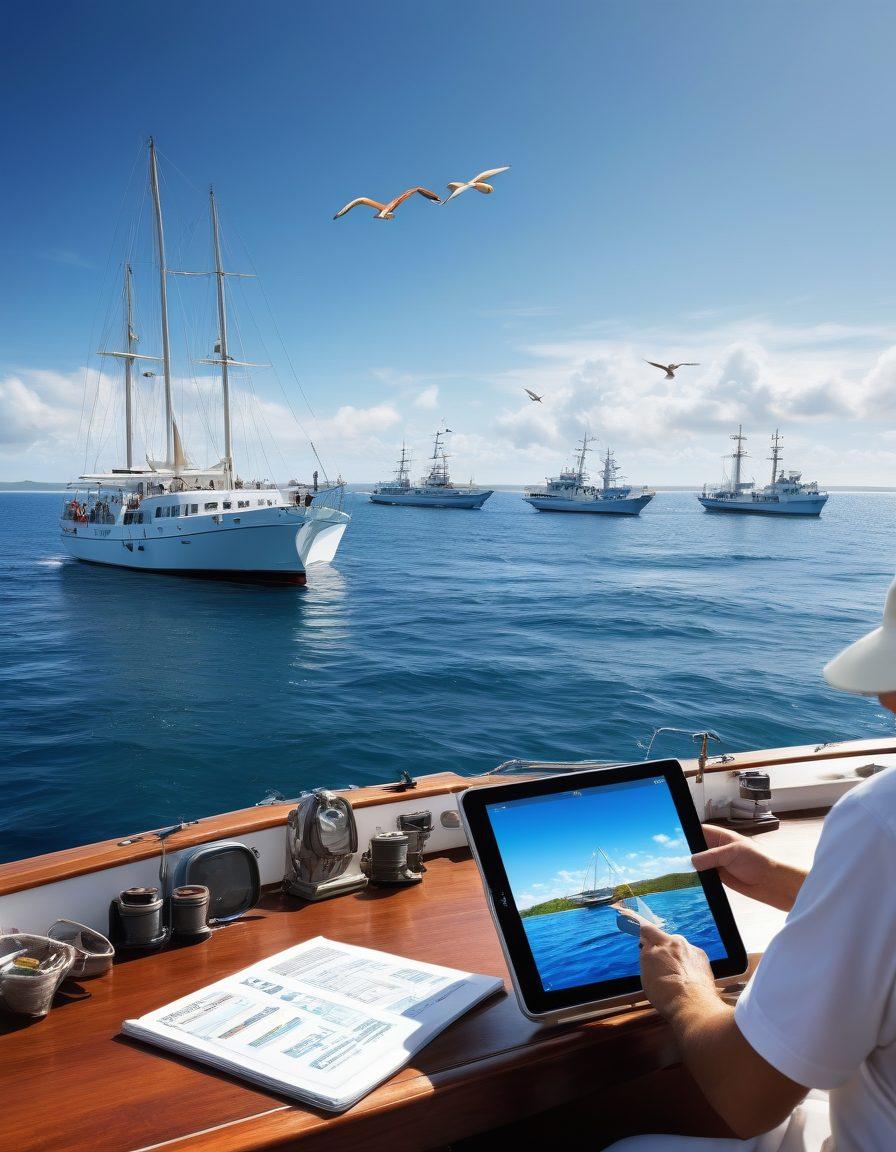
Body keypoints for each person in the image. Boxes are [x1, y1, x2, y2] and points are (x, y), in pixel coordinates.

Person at [607, 579, 896, 1152]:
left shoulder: (882, 820)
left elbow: (747, 1098)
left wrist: (686, 990)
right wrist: (794, 887)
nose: (884, 700)